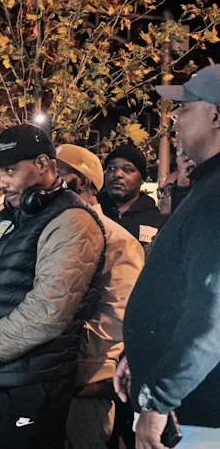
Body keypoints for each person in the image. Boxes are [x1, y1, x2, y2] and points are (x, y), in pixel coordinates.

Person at [0, 124, 105, 449]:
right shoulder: (9, 215)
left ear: (44, 165)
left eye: (11, 170)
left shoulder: (74, 222)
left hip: (30, 387)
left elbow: (47, 312)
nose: (2, 182)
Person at [115, 64, 220, 448]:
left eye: (185, 107)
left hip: (198, 417)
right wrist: (142, 355)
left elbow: (212, 315)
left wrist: (159, 401)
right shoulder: (206, 189)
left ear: (216, 116)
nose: (173, 119)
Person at [55, 145, 145, 449]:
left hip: (84, 382)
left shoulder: (118, 242)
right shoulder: (47, 231)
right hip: (43, 379)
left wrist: (63, 353)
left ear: (81, 184)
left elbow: (115, 320)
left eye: (57, 176)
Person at [98, 143, 164, 245]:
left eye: (127, 169)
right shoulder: (93, 212)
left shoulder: (155, 220)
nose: (117, 174)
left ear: (142, 179)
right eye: (111, 168)